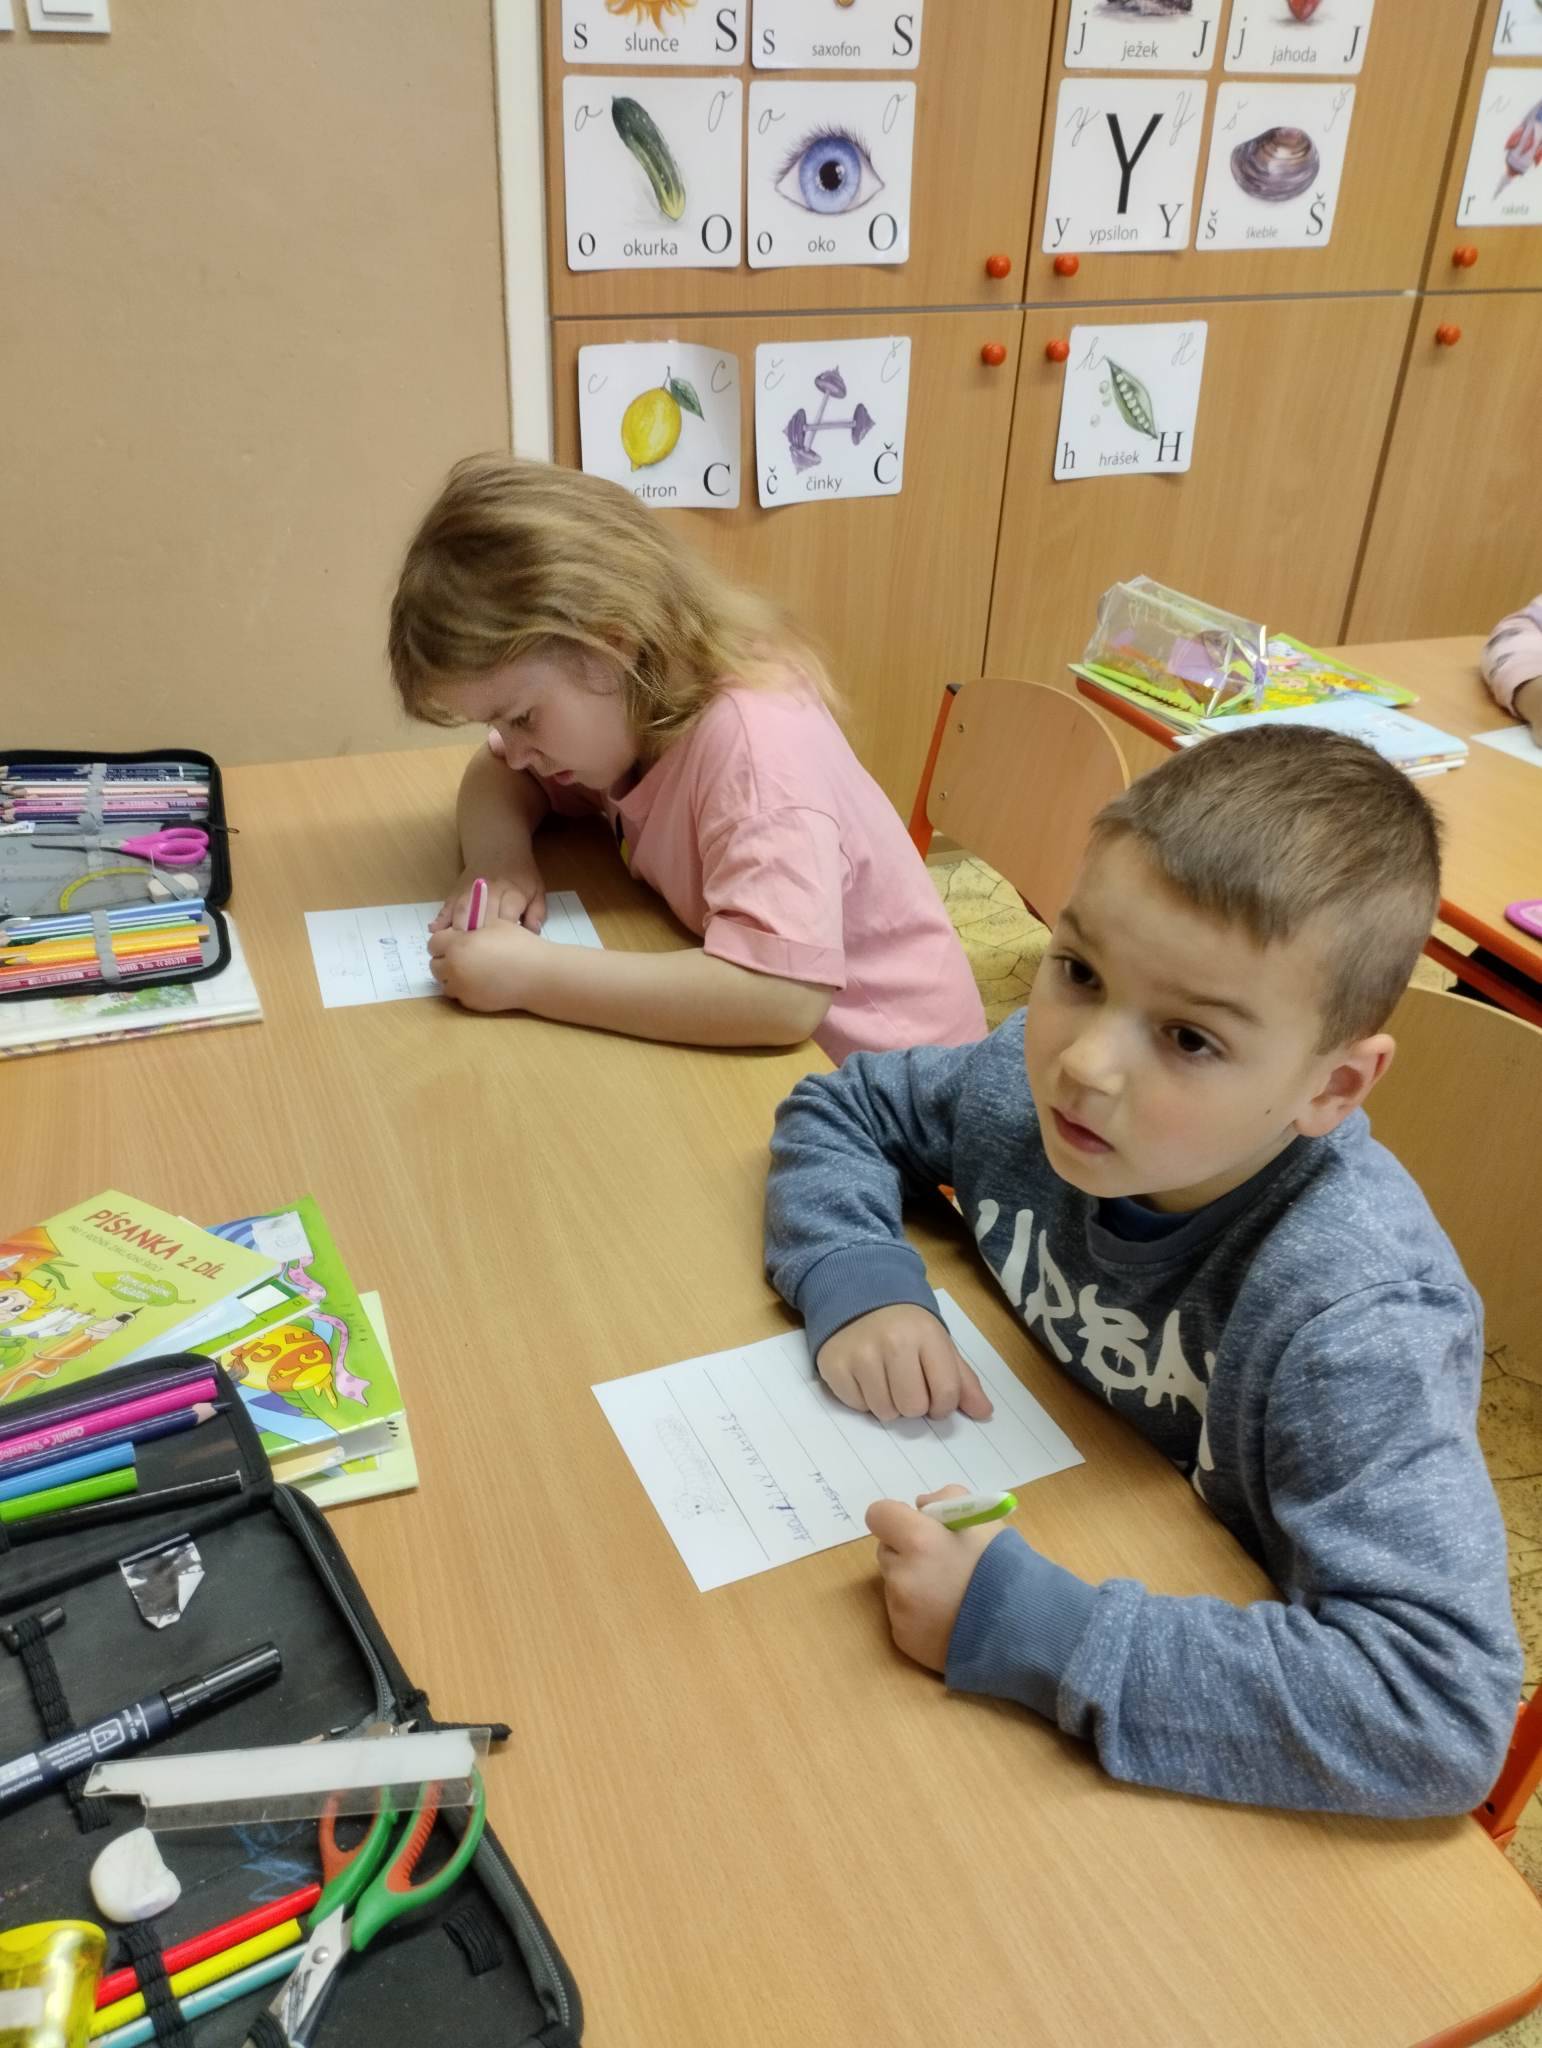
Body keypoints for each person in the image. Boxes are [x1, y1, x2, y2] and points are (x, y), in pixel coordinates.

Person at [764, 725, 1521, 1817]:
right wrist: (858, 1274)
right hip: (1060, 1483)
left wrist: (1033, 1630)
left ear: (1332, 1088)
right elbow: (845, 1107)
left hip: (1189, 1686)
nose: (1083, 1060)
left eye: (1190, 1039)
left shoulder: (1356, 1315)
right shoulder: (1024, 1088)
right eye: (1079, 971)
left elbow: (1438, 1711)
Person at [387, 457, 985, 1061]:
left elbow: (781, 997)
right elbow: (495, 774)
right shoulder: (621, 711)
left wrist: (532, 976)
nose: (517, 752)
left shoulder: (756, 751)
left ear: (611, 641)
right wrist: (499, 861)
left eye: (521, 718)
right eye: (498, 724)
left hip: (906, 1084)